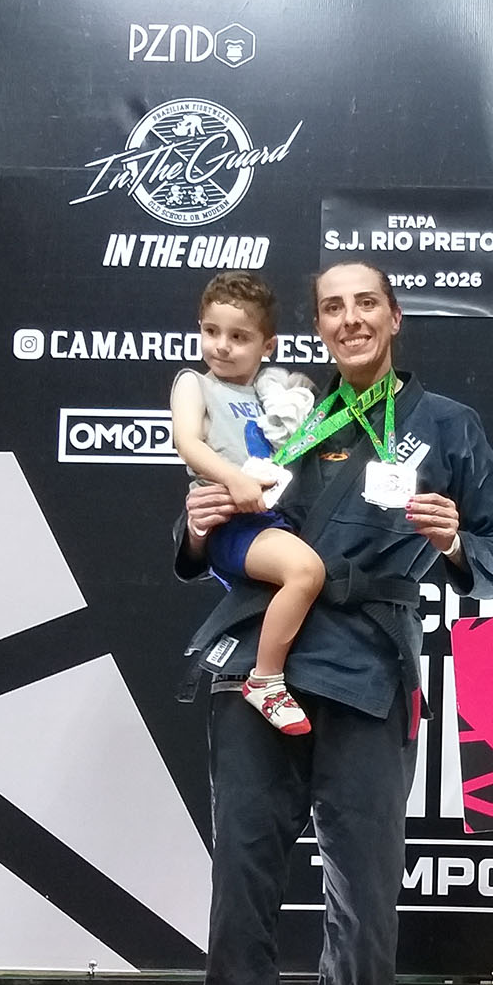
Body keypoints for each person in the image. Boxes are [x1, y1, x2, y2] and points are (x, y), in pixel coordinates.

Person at [178, 258, 493, 985]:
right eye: (332, 307)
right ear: (318, 327)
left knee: (364, 890)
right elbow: (218, 528)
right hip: (259, 666)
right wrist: (197, 522)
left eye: (366, 303)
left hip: (369, 668)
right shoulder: (282, 409)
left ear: (395, 316)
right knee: (241, 877)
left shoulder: (446, 425)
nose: (350, 319)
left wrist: (457, 542)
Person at [169, 272, 324, 735]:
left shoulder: (269, 394)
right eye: (211, 331)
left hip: (269, 516)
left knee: (313, 573)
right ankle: (265, 680)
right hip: (229, 524)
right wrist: (234, 479)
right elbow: (186, 442)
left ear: (267, 345)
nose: (221, 346)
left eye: (239, 337)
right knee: (305, 572)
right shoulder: (194, 384)